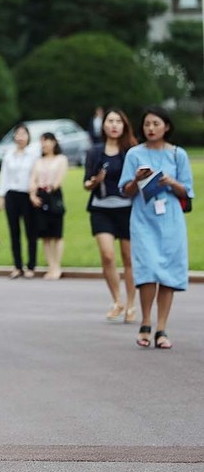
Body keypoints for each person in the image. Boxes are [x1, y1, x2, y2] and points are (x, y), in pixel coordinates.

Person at [120, 108, 194, 349]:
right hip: (143, 218)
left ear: (166, 127)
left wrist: (171, 182)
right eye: (147, 124)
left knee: (168, 272)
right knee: (148, 269)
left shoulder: (177, 155)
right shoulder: (134, 154)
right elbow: (125, 191)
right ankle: (145, 322)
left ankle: (162, 327)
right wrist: (136, 179)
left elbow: (187, 191)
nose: (150, 128)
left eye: (156, 123)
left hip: (170, 220)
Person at [83, 109, 138, 322]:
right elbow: (87, 183)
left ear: (124, 125)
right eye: (110, 121)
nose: (114, 125)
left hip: (126, 208)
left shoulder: (131, 151)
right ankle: (117, 300)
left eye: (118, 121)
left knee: (128, 257)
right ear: (103, 125)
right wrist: (95, 181)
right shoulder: (95, 151)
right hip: (101, 207)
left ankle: (132, 304)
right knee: (107, 255)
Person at [0, 123, 39, 279]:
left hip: (27, 194)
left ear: (28, 136)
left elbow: (36, 174)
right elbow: (4, 176)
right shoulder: (9, 155)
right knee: (14, 231)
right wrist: (1, 196)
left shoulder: (33, 155)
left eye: (23, 134)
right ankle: (17, 265)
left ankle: (31, 265)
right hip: (12, 194)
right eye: (18, 134)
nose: (20, 137)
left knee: (30, 230)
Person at [29, 133, 68, 280]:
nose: (44, 145)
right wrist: (33, 195)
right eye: (42, 142)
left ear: (53, 143)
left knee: (56, 234)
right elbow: (33, 179)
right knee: (45, 236)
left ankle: (57, 266)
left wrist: (51, 187)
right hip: (40, 196)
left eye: (47, 142)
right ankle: (50, 266)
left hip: (54, 195)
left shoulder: (61, 159)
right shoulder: (38, 161)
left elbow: (59, 178)